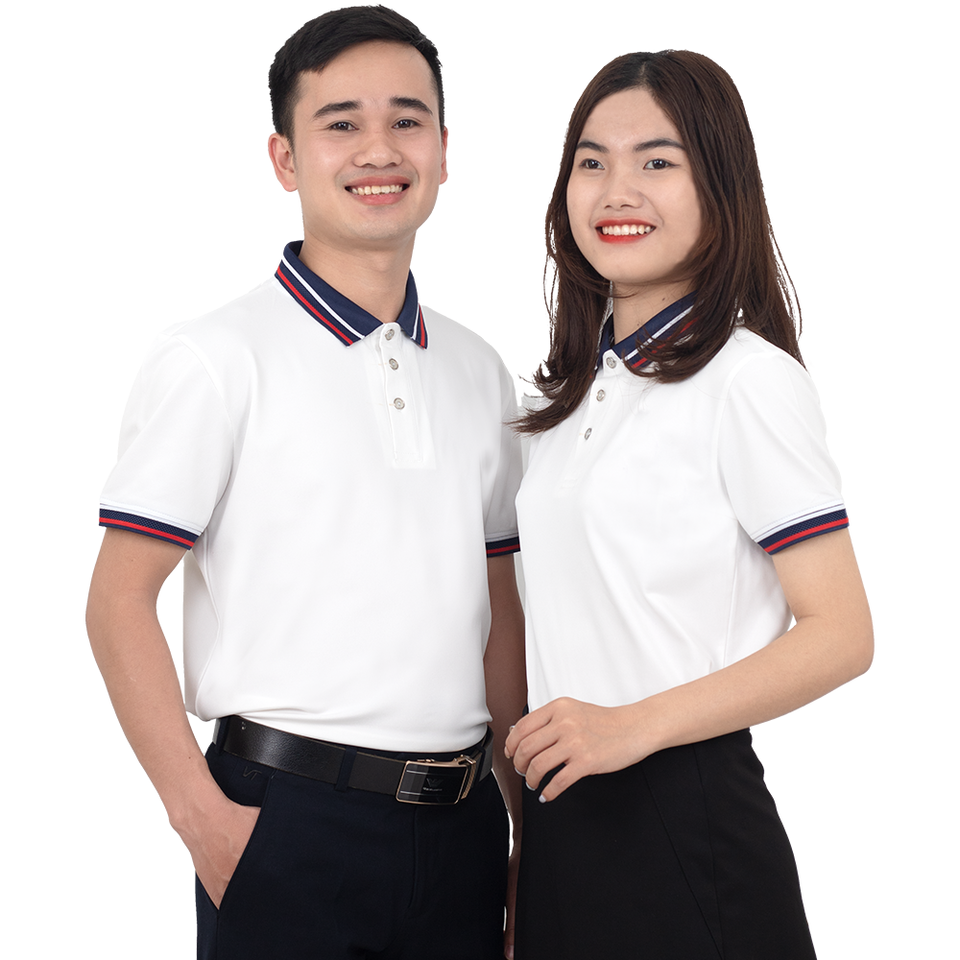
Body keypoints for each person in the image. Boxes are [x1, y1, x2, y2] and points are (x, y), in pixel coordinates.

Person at [86, 7, 525, 959]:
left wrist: (526, 832)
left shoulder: (481, 372)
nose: (379, 149)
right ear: (284, 159)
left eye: (407, 120)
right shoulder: (215, 359)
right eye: (341, 123)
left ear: (445, 151)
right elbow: (118, 601)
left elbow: (501, 614)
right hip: (284, 823)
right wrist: (204, 822)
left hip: (463, 832)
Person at [505, 50, 872, 959]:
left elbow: (842, 634)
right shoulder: (567, 399)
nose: (616, 191)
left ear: (720, 186)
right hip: (562, 823)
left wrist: (629, 727)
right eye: (592, 162)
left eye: (657, 161)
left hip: (683, 820)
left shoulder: (748, 381)